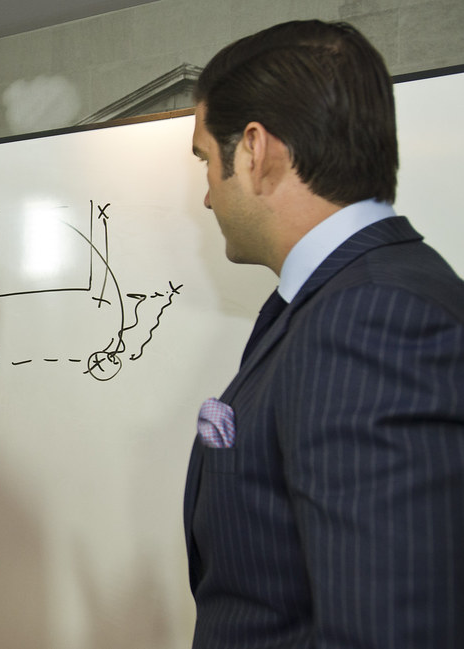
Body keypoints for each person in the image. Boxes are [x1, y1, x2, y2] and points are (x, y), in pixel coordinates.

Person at [184, 19, 464, 647]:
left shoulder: (371, 317)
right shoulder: (338, 299)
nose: (206, 197)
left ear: (255, 151)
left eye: (205, 161)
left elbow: (391, 630)